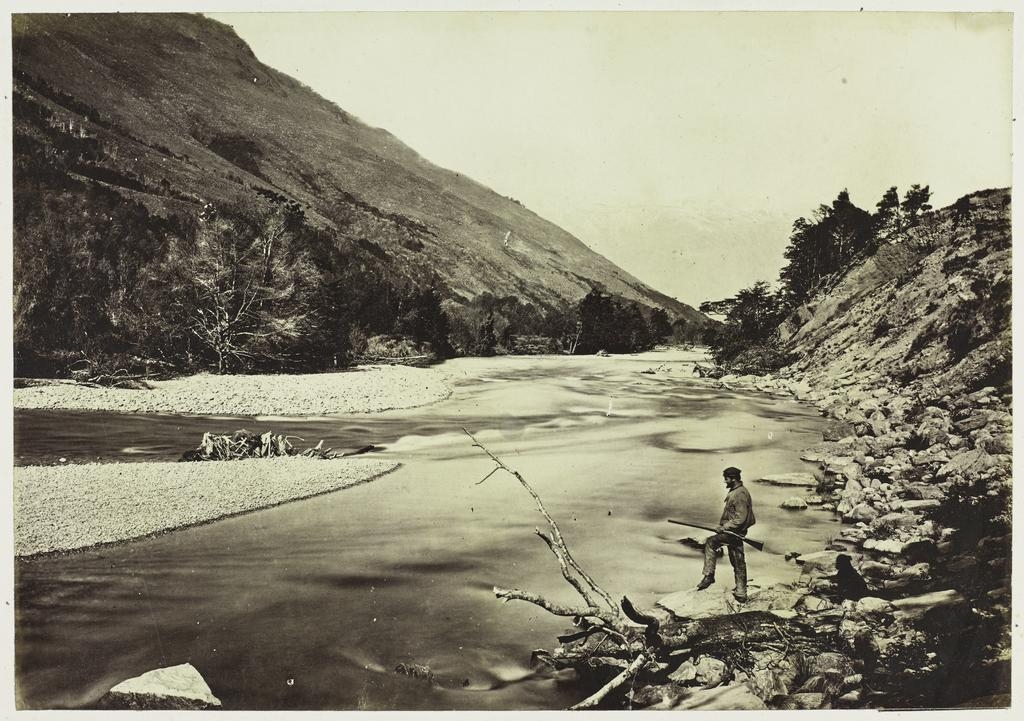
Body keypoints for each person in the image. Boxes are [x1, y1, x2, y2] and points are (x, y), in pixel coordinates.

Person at [696, 466, 755, 602]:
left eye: (726, 479)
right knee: (737, 560)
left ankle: (709, 576)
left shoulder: (739, 494)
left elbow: (740, 518)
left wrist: (724, 527)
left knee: (711, 542)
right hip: (734, 532)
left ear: (733, 479)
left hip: (733, 531)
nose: (725, 482)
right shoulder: (739, 491)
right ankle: (741, 592)